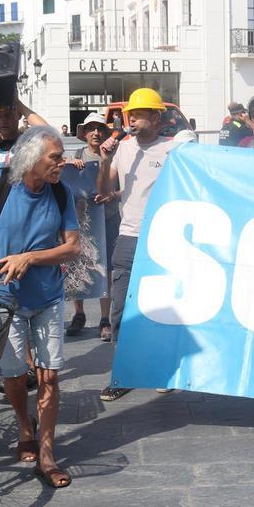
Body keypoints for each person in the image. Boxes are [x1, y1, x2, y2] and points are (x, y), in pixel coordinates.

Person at [0, 126, 81, 488]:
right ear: (30, 159)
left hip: (48, 297)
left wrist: (30, 257)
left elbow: (72, 247)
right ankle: (25, 427)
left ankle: (47, 454)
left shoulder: (61, 193)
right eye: (54, 157)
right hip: (2, 297)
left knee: (49, 375)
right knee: (13, 375)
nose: (61, 163)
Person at [95, 88, 175, 401]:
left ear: (155, 118)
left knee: (161, 309)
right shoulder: (123, 149)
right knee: (120, 310)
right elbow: (104, 190)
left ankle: (162, 370)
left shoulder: (171, 148)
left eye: (140, 115)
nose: (133, 120)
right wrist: (105, 162)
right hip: (128, 237)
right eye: (131, 115)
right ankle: (123, 374)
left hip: (162, 238)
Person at [66, 112, 119, 340]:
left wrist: (113, 195)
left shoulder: (115, 155)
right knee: (78, 265)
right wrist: (68, 164)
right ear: (85, 133)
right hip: (83, 220)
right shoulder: (77, 155)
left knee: (106, 268)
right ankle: (78, 314)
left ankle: (105, 319)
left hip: (108, 218)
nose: (96, 133)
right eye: (91, 129)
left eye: (99, 129)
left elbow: (123, 187)